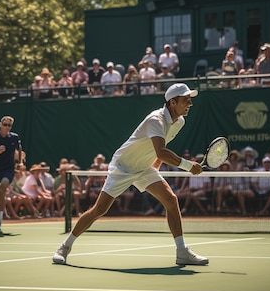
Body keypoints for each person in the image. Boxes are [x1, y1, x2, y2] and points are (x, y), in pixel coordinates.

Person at [52, 83, 209, 266]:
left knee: (171, 200)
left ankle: (182, 251)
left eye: (190, 100)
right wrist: (189, 166)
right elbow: (161, 152)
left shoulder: (179, 122)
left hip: (144, 168)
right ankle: (64, 247)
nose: (190, 103)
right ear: (172, 102)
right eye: (186, 100)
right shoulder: (155, 120)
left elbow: (159, 149)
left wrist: (155, 166)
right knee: (100, 209)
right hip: (123, 167)